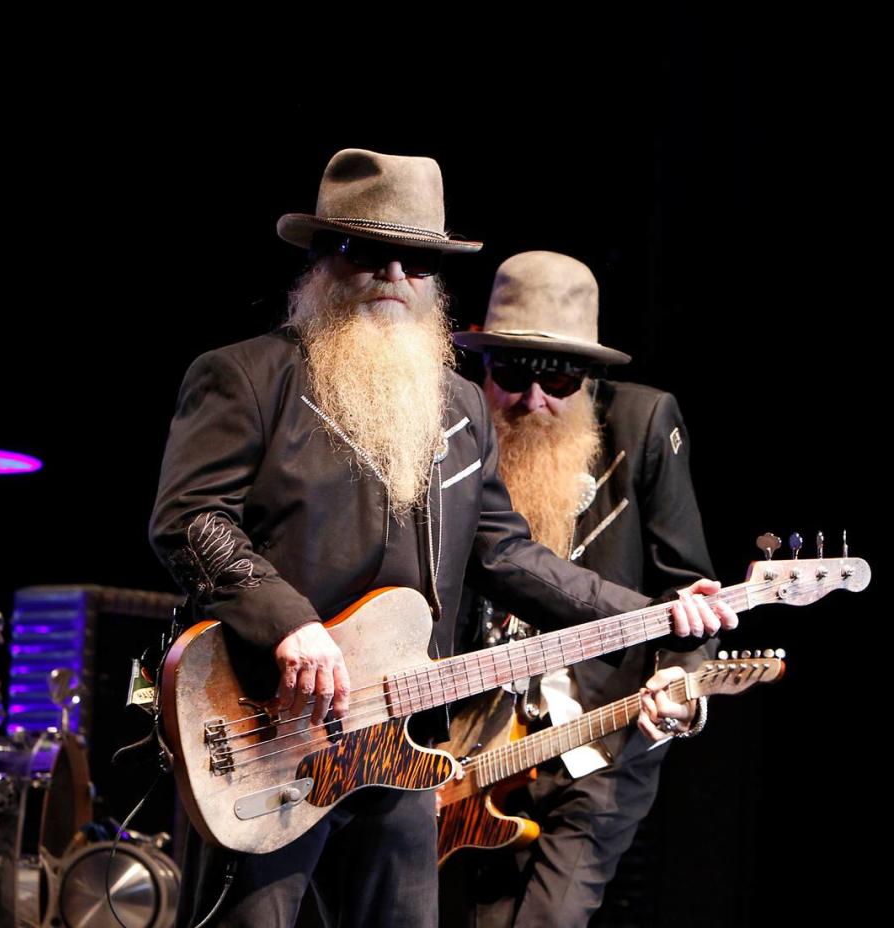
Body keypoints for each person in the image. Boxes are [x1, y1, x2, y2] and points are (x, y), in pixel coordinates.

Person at [149, 153, 735, 928]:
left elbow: (507, 555)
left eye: (416, 258)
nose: (393, 272)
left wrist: (656, 612)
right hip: (270, 727)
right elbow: (190, 518)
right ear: (324, 258)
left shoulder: (459, 409)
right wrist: (288, 622)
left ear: (436, 277)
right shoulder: (247, 377)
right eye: (366, 250)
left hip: (403, 745)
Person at [444, 251, 720, 927]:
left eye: (559, 379)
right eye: (510, 374)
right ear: (481, 363)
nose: (534, 402)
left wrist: (679, 687)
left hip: (597, 739)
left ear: (589, 374)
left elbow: (690, 591)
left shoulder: (645, 423)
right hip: (466, 744)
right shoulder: (454, 429)